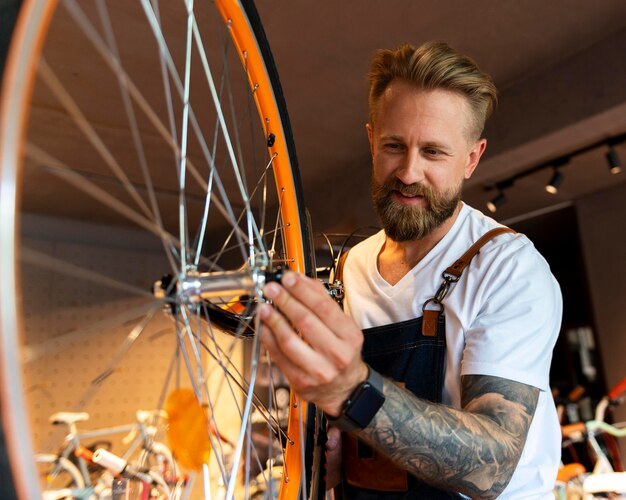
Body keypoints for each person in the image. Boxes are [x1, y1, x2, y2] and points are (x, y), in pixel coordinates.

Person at [258, 41, 562, 499]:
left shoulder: (508, 268)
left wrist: (354, 392)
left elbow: (493, 464)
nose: (408, 172)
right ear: (371, 141)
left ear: (471, 159)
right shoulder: (351, 265)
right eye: (394, 146)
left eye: (434, 152)